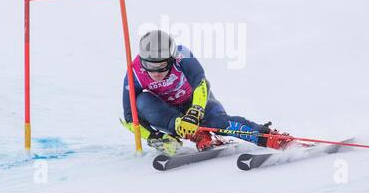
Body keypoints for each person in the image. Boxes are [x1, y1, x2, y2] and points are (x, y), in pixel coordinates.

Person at [121, 30, 292, 155]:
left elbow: (201, 83)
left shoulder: (182, 55)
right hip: (168, 114)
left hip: (197, 102)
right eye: (150, 65)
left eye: (161, 65)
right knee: (142, 101)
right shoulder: (134, 72)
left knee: (219, 123)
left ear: (171, 58)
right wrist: (153, 137)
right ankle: (197, 134)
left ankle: (269, 137)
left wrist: (195, 112)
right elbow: (130, 118)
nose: (156, 72)